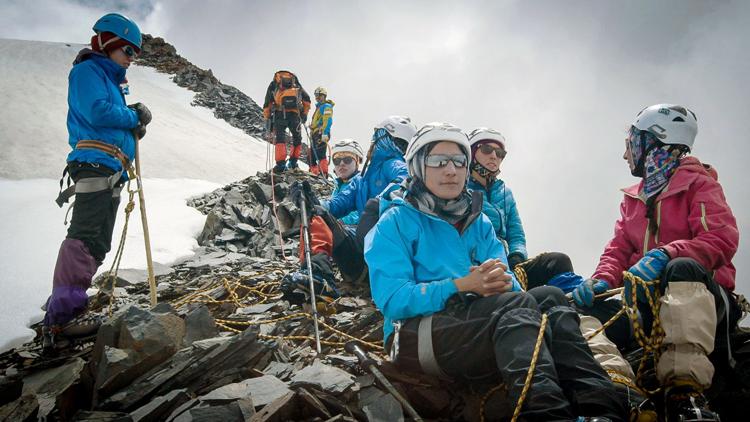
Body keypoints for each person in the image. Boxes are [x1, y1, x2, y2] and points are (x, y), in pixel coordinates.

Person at [364, 122, 624, 421]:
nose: (451, 170)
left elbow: (509, 282)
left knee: (551, 298)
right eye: (438, 161)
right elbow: (393, 299)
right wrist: (460, 285)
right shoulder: (394, 222)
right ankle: (545, 414)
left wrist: (501, 283)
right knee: (517, 306)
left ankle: (602, 408)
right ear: (418, 167)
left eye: (459, 162)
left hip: (475, 321)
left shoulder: (479, 222)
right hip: (412, 336)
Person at [572, 104, 740, 421]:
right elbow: (620, 246)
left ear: (652, 140)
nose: (626, 155)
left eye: (631, 143)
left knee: (682, 267)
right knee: (579, 313)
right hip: (646, 304)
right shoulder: (634, 197)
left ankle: (685, 394)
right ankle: (623, 391)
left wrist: (668, 254)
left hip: (703, 300)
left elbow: (720, 239)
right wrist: (602, 280)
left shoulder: (700, 184)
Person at [44, 13, 152, 349]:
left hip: (109, 168)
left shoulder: (111, 80)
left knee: (97, 241)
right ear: (108, 44)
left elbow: (108, 117)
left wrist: (131, 127)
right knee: (85, 235)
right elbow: (96, 111)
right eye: (128, 52)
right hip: (94, 164)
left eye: (135, 54)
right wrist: (133, 116)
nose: (132, 60)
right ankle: (63, 317)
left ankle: (72, 306)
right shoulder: (87, 71)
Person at [286, 116, 418, 288]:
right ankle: (317, 275)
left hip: (378, 255)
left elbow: (405, 179)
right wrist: (314, 202)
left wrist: (380, 200)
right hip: (369, 256)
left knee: (319, 218)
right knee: (318, 214)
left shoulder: (392, 164)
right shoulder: (362, 178)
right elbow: (338, 203)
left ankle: (319, 274)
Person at [467, 128, 580, 291]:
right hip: (483, 267)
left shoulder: (506, 193)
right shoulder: (460, 190)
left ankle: (578, 302)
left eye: (500, 153)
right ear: (471, 153)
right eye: (486, 150)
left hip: (510, 264)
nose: (494, 156)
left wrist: (517, 256)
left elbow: (516, 234)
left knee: (558, 261)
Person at [262, 70, 311, 173]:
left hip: (279, 114)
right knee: (297, 138)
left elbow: (268, 103)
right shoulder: (296, 83)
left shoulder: (274, 84)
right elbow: (307, 100)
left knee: (280, 139)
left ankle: (280, 164)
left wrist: (267, 119)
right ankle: (293, 163)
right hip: (295, 115)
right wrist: (304, 114)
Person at [330, 139, 365, 226]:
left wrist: (338, 222)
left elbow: (362, 213)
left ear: (357, 162)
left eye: (347, 159)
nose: (341, 163)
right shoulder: (338, 186)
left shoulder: (364, 183)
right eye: (337, 160)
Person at [308, 86, 334, 175]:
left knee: (320, 154)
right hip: (315, 133)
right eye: (316, 96)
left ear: (324, 96)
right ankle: (314, 173)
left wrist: (325, 133)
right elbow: (319, 121)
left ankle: (324, 173)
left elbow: (328, 120)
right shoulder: (319, 108)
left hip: (321, 133)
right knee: (311, 155)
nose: (317, 97)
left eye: (319, 95)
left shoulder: (326, 106)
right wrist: (313, 127)